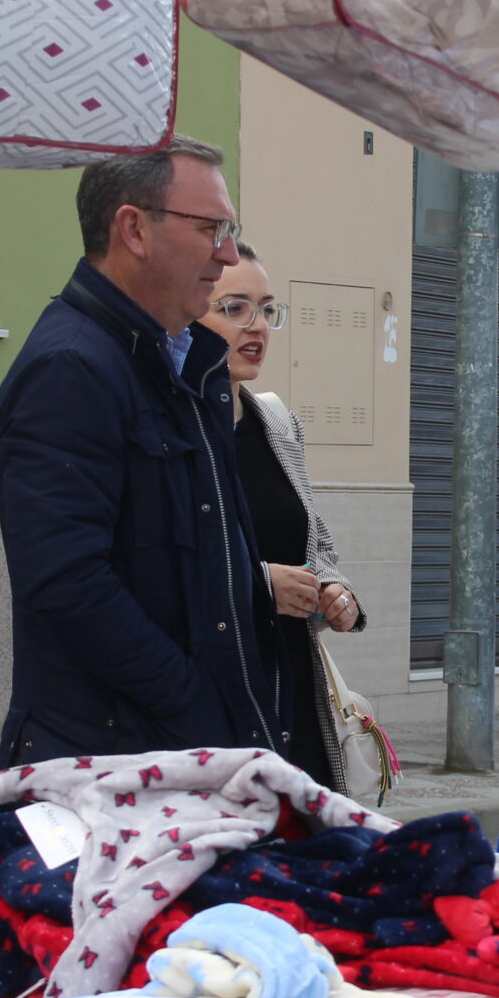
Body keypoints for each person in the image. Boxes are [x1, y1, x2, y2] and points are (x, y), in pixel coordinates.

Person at [0, 136, 294, 767]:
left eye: (230, 232)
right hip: (111, 771)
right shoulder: (70, 368)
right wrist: (196, 706)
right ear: (133, 229)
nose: (227, 254)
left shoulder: (187, 364)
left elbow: (210, 560)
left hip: (188, 756)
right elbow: (68, 586)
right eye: (211, 229)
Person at [191, 244, 367, 790]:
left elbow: (315, 544)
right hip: (217, 690)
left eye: (267, 309)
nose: (257, 326)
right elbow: (165, 562)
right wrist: (262, 583)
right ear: (187, 314)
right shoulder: (176, 426)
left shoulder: (276, 420)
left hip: (295, 682)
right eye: (234, 308)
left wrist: (335, 592)